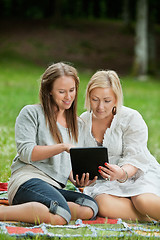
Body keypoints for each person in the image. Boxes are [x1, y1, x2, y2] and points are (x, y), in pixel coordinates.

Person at [0, 62, 98, 225]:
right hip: (27, 180)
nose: (68, 97)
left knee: (89, 207)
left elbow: (66, 165)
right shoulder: (31, 113)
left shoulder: (78, 124)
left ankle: (32, 208)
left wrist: (77, 179)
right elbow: (26, 152)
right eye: (62, 92)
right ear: (49, 91)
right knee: (60, 215)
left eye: (72, 90)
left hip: (54, 188)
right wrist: (62, 146)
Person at [80, 69, 160, 222]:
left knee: (143, 201)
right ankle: (150, 217)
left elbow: (136, 158)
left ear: (116, 99)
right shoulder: (83, 121)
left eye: (107, 100)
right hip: (107, 182)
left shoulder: (131, 118)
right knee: (102, 204)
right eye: (95, 99)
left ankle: (147, 210)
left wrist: (122, 173)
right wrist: (84, 178)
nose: (100, 107)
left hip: (136, 172)